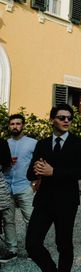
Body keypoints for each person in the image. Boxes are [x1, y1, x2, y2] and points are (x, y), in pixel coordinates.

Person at [25, 104, 81, 272]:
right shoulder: (42, 144)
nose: (66, 120)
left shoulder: (79, 144)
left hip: (67, 201)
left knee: (64, 244)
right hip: (44, 200)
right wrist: (36, 170)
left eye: (69, 118)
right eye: (62, 117)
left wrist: (54, 172)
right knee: (32, 243)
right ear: (52, 120)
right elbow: (30, 174)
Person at [2, 113, 37, 263]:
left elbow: (39, 163)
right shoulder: (4, 143)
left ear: (23, 125)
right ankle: (12, 250)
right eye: (12, 124)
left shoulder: (32, 143)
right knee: (8, 220)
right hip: (6, 186)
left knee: (30, 219)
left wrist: (37, 182)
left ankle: (33, 249)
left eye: (18, 123)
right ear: (9, 126)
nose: (15, 126)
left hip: (25, 185)